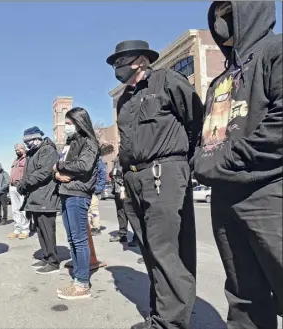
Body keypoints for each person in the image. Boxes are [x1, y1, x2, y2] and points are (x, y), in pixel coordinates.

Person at [193, 2, 282, 328]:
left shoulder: (276, 50)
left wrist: (226, 160)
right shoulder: (220, 80)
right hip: (224, 195)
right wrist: (200, 161)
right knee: (243, 294)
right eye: (216, 13)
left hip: (268, 190)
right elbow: (207, 137)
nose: (220, 21)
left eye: (229, 11)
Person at [106, 39, 203, 329]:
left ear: (141, 61)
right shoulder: (125, 98)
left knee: (166, 249)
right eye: (114, 63)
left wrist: (188, 165)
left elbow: (195, 119)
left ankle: (171, 323)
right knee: (150, 250)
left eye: (121, 61)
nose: (116, 67)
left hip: (164, 171)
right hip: (134, 177)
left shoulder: (167, 80)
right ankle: (161, 313)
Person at [53, 107, 99, 300]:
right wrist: (56, 174)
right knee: (72, 239)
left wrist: (59, 167)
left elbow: (84, 165)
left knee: (79, 240)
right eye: (66, 123)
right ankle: (77, 280)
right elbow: (58, 166)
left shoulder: (89, 142)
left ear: (80, 123)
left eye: (71, 123)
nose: (68, 127)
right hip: (65, 193)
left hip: (78, 194)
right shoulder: (70, 144)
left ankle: (82, 283)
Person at [17, 127, 60, 274]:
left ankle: (53, 262)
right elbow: (29, 173)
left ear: (37, 138)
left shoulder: (47, 150)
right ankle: (46, 256)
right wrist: (23, 185)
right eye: (26, 142)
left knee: (47, 230)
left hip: (45, 197)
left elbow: (44, 173)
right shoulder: (33, 153)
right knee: (40, 231)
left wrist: (25, 183)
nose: (28, 145)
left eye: (29, 141)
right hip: (36, 197)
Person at [108, 154, 136, 246]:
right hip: (117, 189)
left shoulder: (130, 153)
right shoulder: (118, 156)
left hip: (126, 188)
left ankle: (137, 237)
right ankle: (122, 234)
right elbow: (116, 170)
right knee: (120, 211)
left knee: (132, 212)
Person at [8, 143, 29, 239]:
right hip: (12, 187)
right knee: (15, 210)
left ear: (24, 149)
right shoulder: (15, 161)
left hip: (21, 187)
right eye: (15, 150)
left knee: (23, 210)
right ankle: (17, 229)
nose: (17, 151)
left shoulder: (27, 159)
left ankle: (25, 230)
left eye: (19, 149)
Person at [89, 158, 106, 236]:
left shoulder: (99, 162)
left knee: (93, 209)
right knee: (88, 210)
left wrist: (98, 189)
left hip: (94, 190)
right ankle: (90, 227)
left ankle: (96, 228)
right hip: (87, 189)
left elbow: (103, 176)